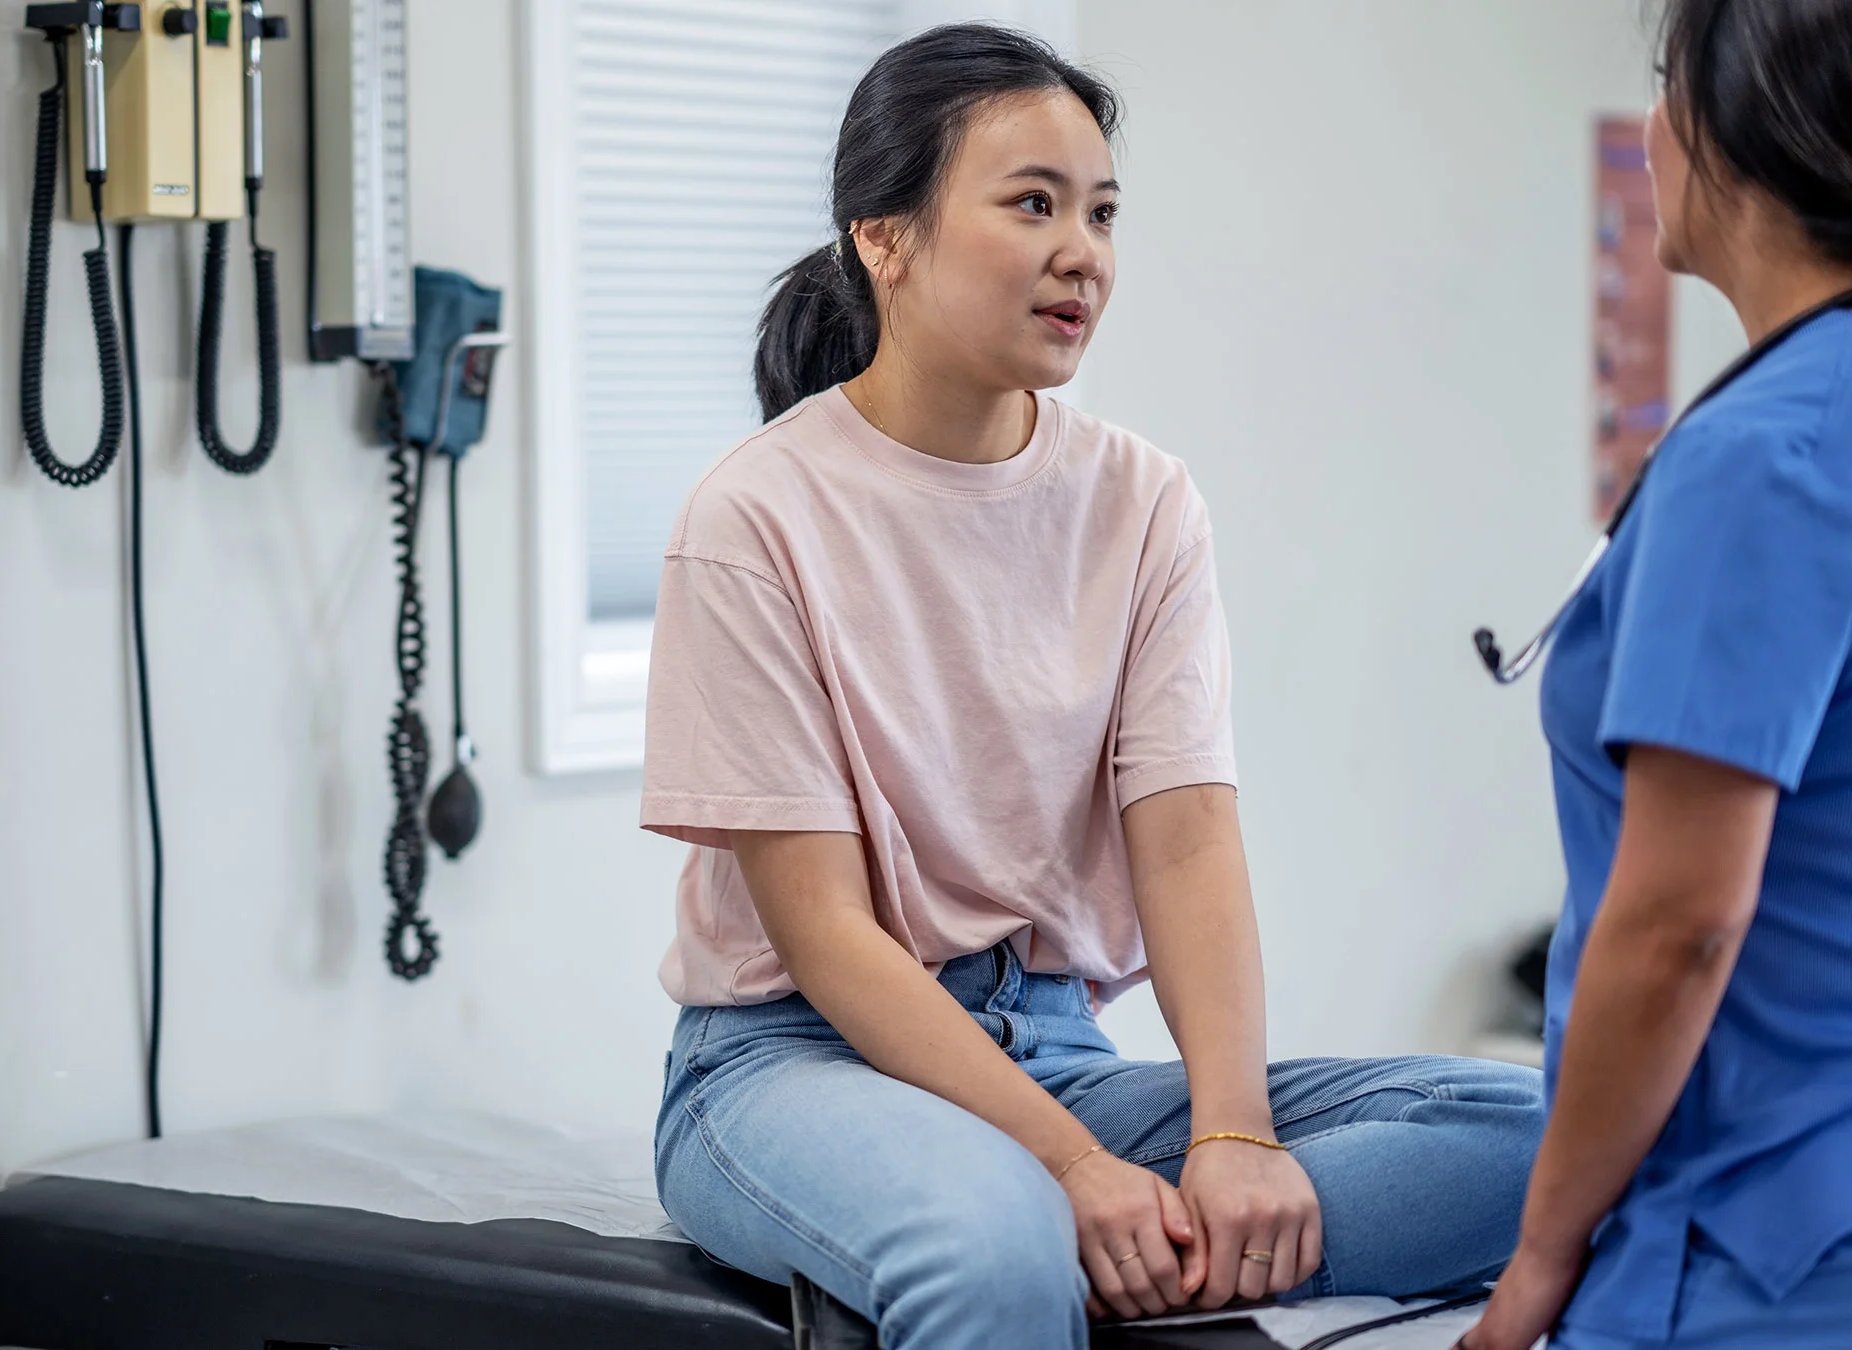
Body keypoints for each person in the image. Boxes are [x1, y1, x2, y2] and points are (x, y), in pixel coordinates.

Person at [639, 25, 1544, 1350]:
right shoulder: (754, 516)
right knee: (994, 1247)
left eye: (1104, 212)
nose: (1086, 252)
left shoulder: (1141, 499)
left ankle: (1146, 1246)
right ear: (884, 237)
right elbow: (826, 934)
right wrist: (1069, 1172)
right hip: (792, 1058)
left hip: (1051, 1046)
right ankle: (1062, 1240)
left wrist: (1232, 1140)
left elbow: (1185, 837)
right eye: (1034, 204)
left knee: (1535, 1134)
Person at [1458, 2, 1852, 1348]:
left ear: (1730, 129)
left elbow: (1677, 927)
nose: (1652, 128)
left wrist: (1540, 1259)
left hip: (1764, 1247)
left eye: (1665, 89)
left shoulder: (1768, 452)